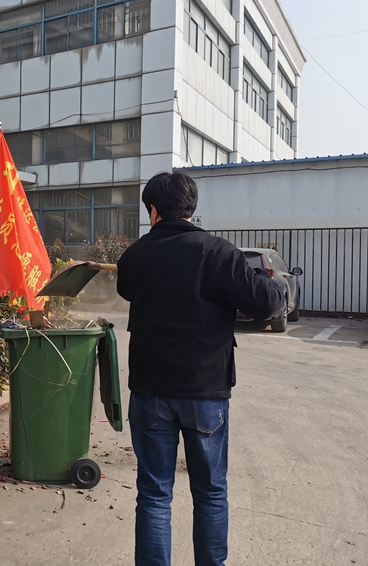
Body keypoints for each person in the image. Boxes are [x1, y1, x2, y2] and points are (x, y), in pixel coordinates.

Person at [116, 171, 282, 566]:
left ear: (153, 211)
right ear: (191, 208)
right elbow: (266, 303)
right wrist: (266, 280)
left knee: (154, 494)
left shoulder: (135, 255)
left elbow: (126, 289)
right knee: (210, 492)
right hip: (205, 391)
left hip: (150, 390)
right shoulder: (218, 253)